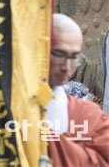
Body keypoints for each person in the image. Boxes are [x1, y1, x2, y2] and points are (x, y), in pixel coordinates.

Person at [46, 14, 109, 165]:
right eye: (59, 55)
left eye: (74, 57)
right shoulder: (8, 112)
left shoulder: (90, 116)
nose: (67, 67)